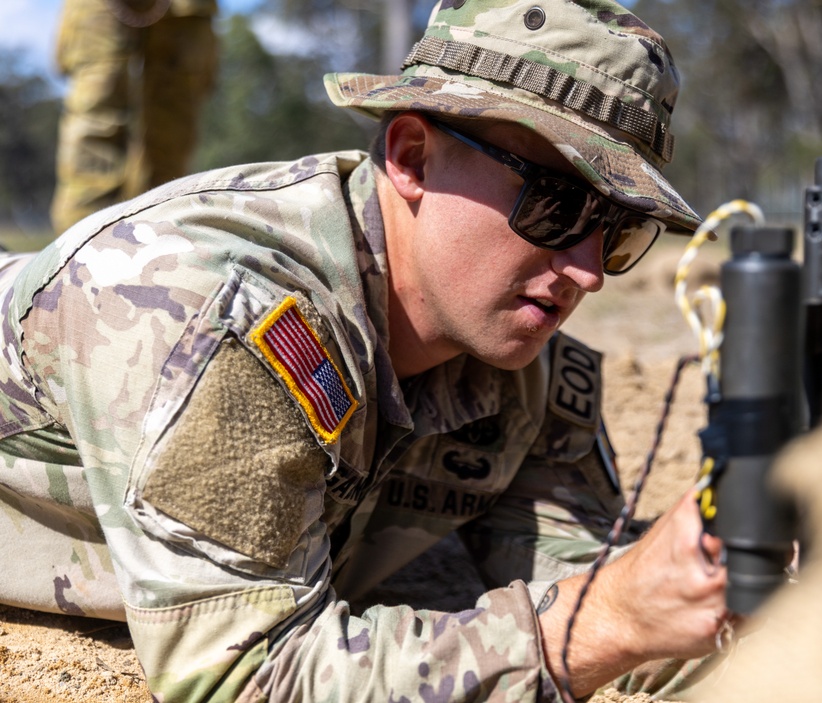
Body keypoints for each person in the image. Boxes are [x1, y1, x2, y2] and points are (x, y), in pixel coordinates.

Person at [0, 0, 733, 700]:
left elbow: (578, 571)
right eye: (556, 205)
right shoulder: (214, 314)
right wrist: (606, 621)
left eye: (617, 230)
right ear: (412, 156)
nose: (589, 270)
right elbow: (245, 676)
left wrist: (754, 601)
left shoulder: (520, 361)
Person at [49, 0, 218, 234]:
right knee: (97, 112)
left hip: (184, 8)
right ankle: (79, 247)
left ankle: (163, 239)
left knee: (173, 125)